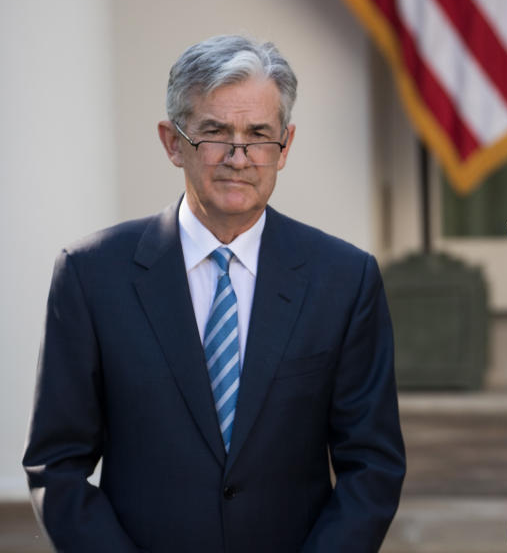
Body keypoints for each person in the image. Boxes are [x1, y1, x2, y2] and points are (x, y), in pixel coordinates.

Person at [23, 36, 405, 552]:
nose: (238, 156)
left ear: (285, 146)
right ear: (172, 142)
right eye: (214, 133)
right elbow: (58, 467)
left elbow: (372, 466)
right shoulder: (91, 276)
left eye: (259, 135)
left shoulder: (344, 278)